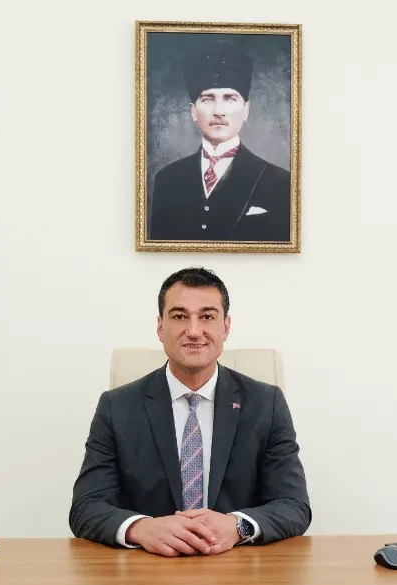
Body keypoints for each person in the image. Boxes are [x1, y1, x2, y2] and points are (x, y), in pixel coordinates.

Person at [69, 267, 310, 556]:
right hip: (149, 566)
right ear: (160, 327)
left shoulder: (266, 403)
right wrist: (142, 528)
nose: (194, 331)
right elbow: (86, 507)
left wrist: (237, 526)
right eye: (179, 316)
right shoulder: (116, 406)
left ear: (226, 327)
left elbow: (294, 505)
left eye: (207, 317)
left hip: (237, 566)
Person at [148, 40, 292, 243]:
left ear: (246, 110)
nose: (218, 111)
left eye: (230, 98)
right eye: (208, 99)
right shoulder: (167, 179)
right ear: (193, 111)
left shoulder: (280, 183)